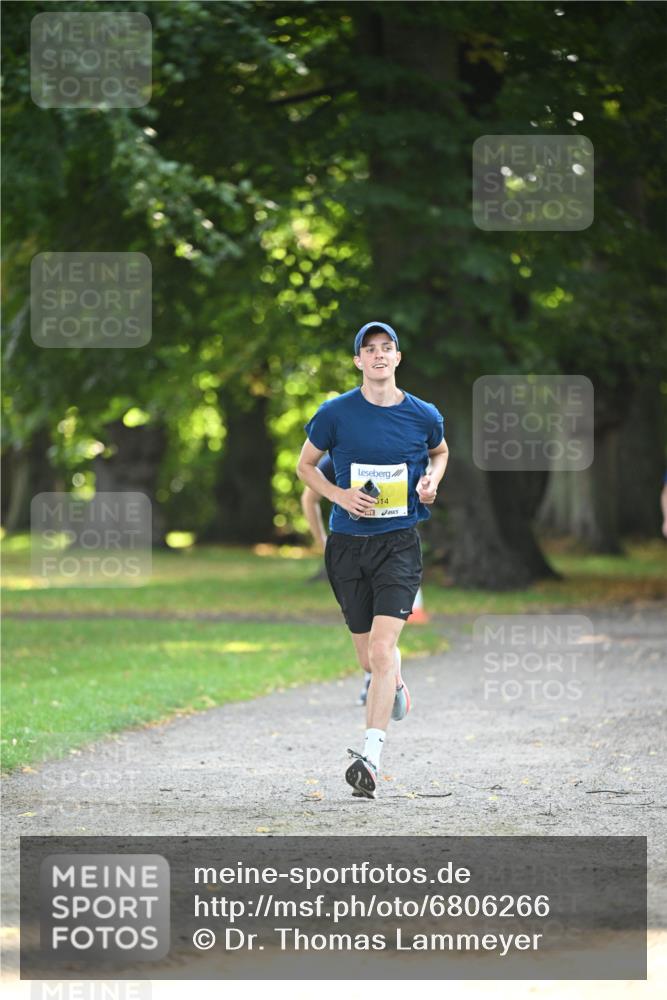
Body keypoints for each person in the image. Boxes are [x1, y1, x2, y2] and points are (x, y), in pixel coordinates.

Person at [296, 321, 448, 799]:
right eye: (369, 349)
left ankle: (371, 759)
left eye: (387, 348)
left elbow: (439, 452)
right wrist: (339, 495)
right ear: (358, 361)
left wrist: (431, 481)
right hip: (347, 548)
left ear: (398, 358)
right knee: (369, 659)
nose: (379, 355)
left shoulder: (423, 414)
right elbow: (303, 467)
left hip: (399, 543)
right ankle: (395, 685)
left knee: (382, 651)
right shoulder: (335, 413)